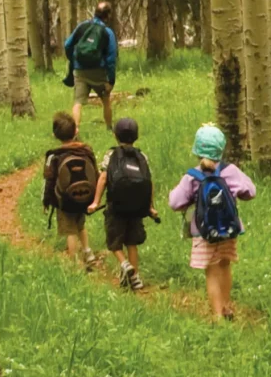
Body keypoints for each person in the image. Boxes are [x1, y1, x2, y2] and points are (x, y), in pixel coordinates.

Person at [166, 123, 256, 321]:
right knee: (224, 265)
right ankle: (226, 307)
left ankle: (217, 315)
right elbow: (251, 191)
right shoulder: (231, 171)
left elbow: (175, 203)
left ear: (197, 150)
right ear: (221, 148)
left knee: (212, 271)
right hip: (229, 229)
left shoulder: (192, 177)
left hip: (204, 232)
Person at [92, 115, 158, 292]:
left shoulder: (111, 155)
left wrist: (95, 201)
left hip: (116, 207)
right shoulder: (142, 156)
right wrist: (150, 207)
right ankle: (135, 278)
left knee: (114, 241)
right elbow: (149, 182)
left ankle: (124, 264)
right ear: (136, 136)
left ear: (115, 135)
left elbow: (104, 177)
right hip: (137, 208)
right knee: (132, 242)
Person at [41, 110, 99, 268]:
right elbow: (96, 173)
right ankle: (88, 252)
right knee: (80, 224)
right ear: (76, 131)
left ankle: (75, 262)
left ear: (55, 135)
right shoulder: (86, 151)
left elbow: (49, 181)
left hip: (65, 201)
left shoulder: (54, 156)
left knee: (70, 231)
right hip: (85, 197)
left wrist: (46, 201)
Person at [63, 0, 118, 134]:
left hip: (79, 70)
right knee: (106, 100)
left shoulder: (82, 26)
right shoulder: (107, 32)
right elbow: (111, 58)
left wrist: (73, 59)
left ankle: (75, 130)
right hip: (98, 72)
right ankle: (109, 128)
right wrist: (111, 80)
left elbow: (67, 44)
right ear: (108, 15)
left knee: (77, 102)